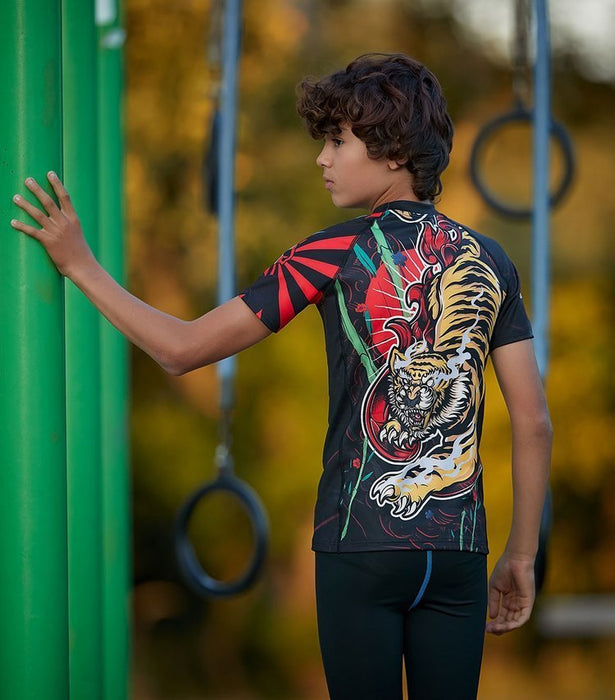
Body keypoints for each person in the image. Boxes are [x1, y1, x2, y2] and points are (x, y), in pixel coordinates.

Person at [11, 53, 551, 700]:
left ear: (392, 151)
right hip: (459, 552)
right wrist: (520, 555)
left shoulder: (332, 250)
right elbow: (533, 422)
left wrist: (80, 265)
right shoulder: (491, 260)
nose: (322, 158)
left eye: (338, 141)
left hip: (360, 545)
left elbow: (181, 349)